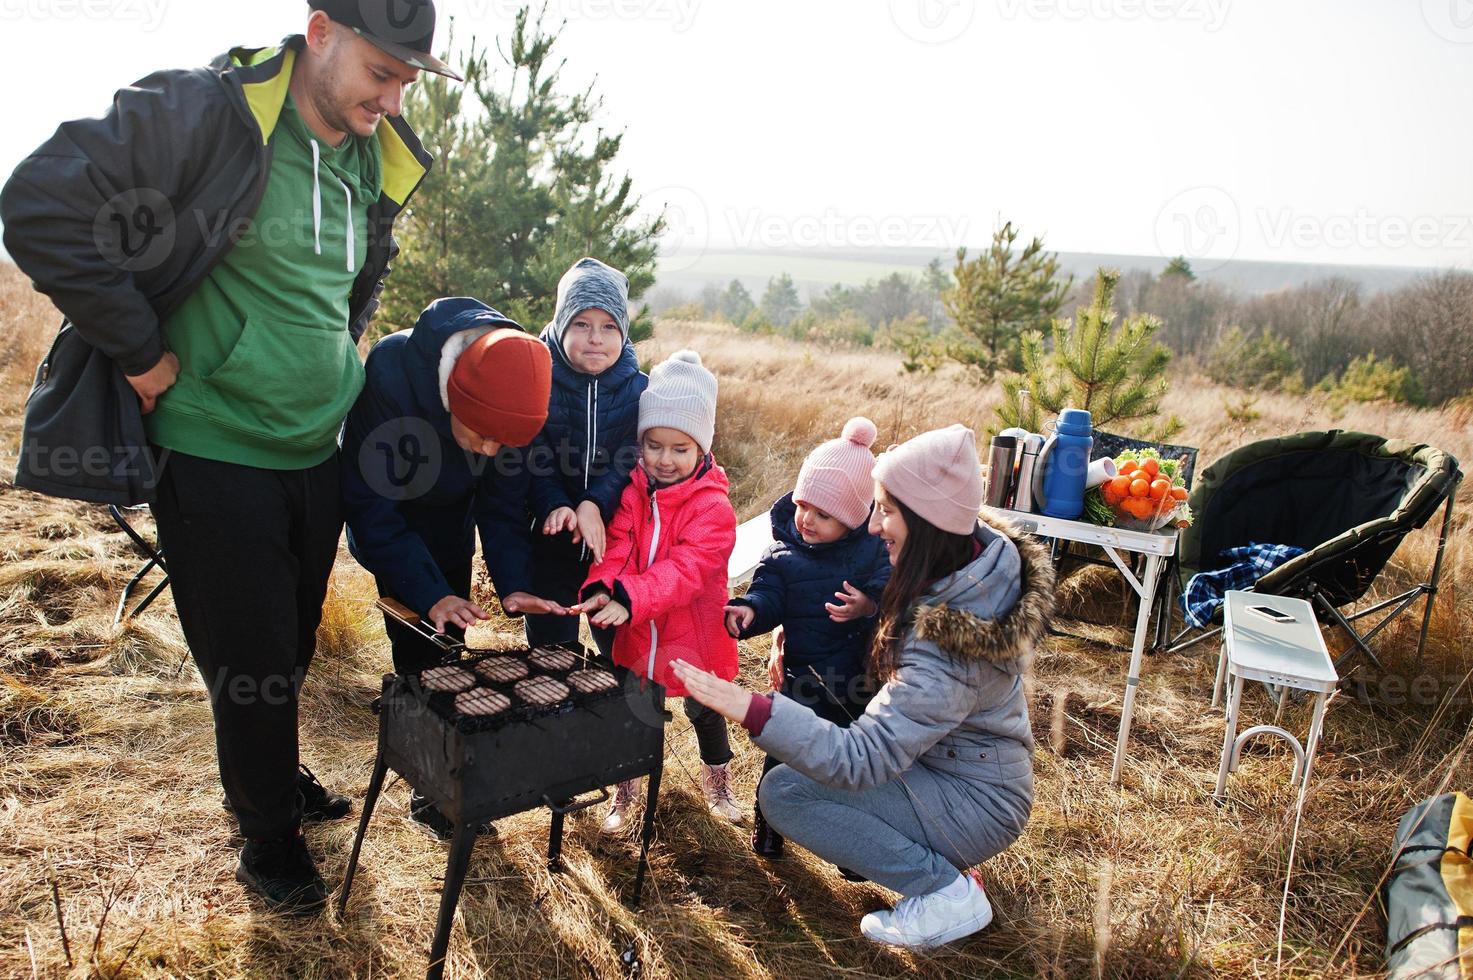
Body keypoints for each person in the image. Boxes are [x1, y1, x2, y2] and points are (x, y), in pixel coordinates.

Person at [0, 1, 458, 917]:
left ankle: (275, 777)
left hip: (312, 447)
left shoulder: (371, 153)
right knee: (245, 654)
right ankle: (267, 843)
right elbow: (37, 201)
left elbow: (349, 284)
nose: (396, 95)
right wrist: (137, 346)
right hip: (213, 444)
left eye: (411, 77)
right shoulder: (207, 111)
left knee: (283, 648)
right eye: (382, 71)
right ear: (319, 32)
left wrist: (332, 360)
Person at [675, 424, 1055, 949]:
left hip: (972, 799)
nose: (874, 526)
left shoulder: (948, 644)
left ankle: (945, 891)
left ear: (926, 522)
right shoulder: (967, 565)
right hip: (952, 769)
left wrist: (751, 707)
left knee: (785, 794)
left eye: (887, 511)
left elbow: (861, 760)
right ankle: (938, 864)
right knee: (796, 782)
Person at [572, 351, 741, 832]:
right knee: (636, 706)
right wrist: (605, 586)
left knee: (703, 707)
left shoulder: (713, 508)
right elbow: (618, 545)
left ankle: (718, 781)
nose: (665, 460)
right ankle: (625, 793)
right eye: (654, 446)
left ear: (702, 449)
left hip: (694, 629)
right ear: (641, 443)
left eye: (679, 449)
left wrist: (629, 596)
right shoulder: (631, 489)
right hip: (640, 626)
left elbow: (686, 571)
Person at [722, 417, 891, 858]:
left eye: (823, 513)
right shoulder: (783, 553)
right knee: (784, 751)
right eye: (802, 505)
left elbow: (893, 587)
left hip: (860, 681)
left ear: (854, 519)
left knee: (851, 763)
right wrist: (749, 611)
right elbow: (768, 594)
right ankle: (769, 822)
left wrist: (868, 605)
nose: (807, 520)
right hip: (802, 677)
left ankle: (850, 841)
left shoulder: (873, 549)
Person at [523, 258, 649, 648]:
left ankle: (623, 703)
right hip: (552, 536)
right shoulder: (535, 379)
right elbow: (532, 453)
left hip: (613, 543)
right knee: (551, 645)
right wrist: (556, 504)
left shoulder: (640, 389)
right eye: (582, 324)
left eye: (609, 326)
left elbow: (633, 454)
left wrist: (595, 502)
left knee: (619, 648)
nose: (596, 338)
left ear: (623, 331)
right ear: (561, 323)